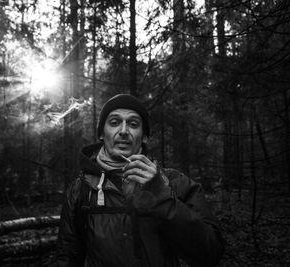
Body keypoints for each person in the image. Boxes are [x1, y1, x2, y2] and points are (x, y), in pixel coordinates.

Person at [56, 94, 224, 267]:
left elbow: (211, 253)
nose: (123, 131)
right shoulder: (80, 189)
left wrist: (162, 198)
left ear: (144, 136)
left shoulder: (175, 182)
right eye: (114, 123)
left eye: (133, 124)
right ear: (101, 133)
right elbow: (67, 257)